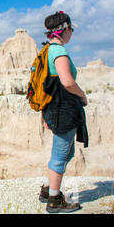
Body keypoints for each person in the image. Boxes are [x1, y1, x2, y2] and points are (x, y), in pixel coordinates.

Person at [38, 11, 88, 213]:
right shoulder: (58, 51)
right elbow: (67, 82)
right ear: (64, 30)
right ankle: (54, 200)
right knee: (61, 153)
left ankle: (48, 188)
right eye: (71, 29)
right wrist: (83, 96)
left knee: (65, 152)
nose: (72, 33)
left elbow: (44, 85)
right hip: (63, 110)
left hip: (54, 109)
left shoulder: (46, 50)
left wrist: (44, 113)